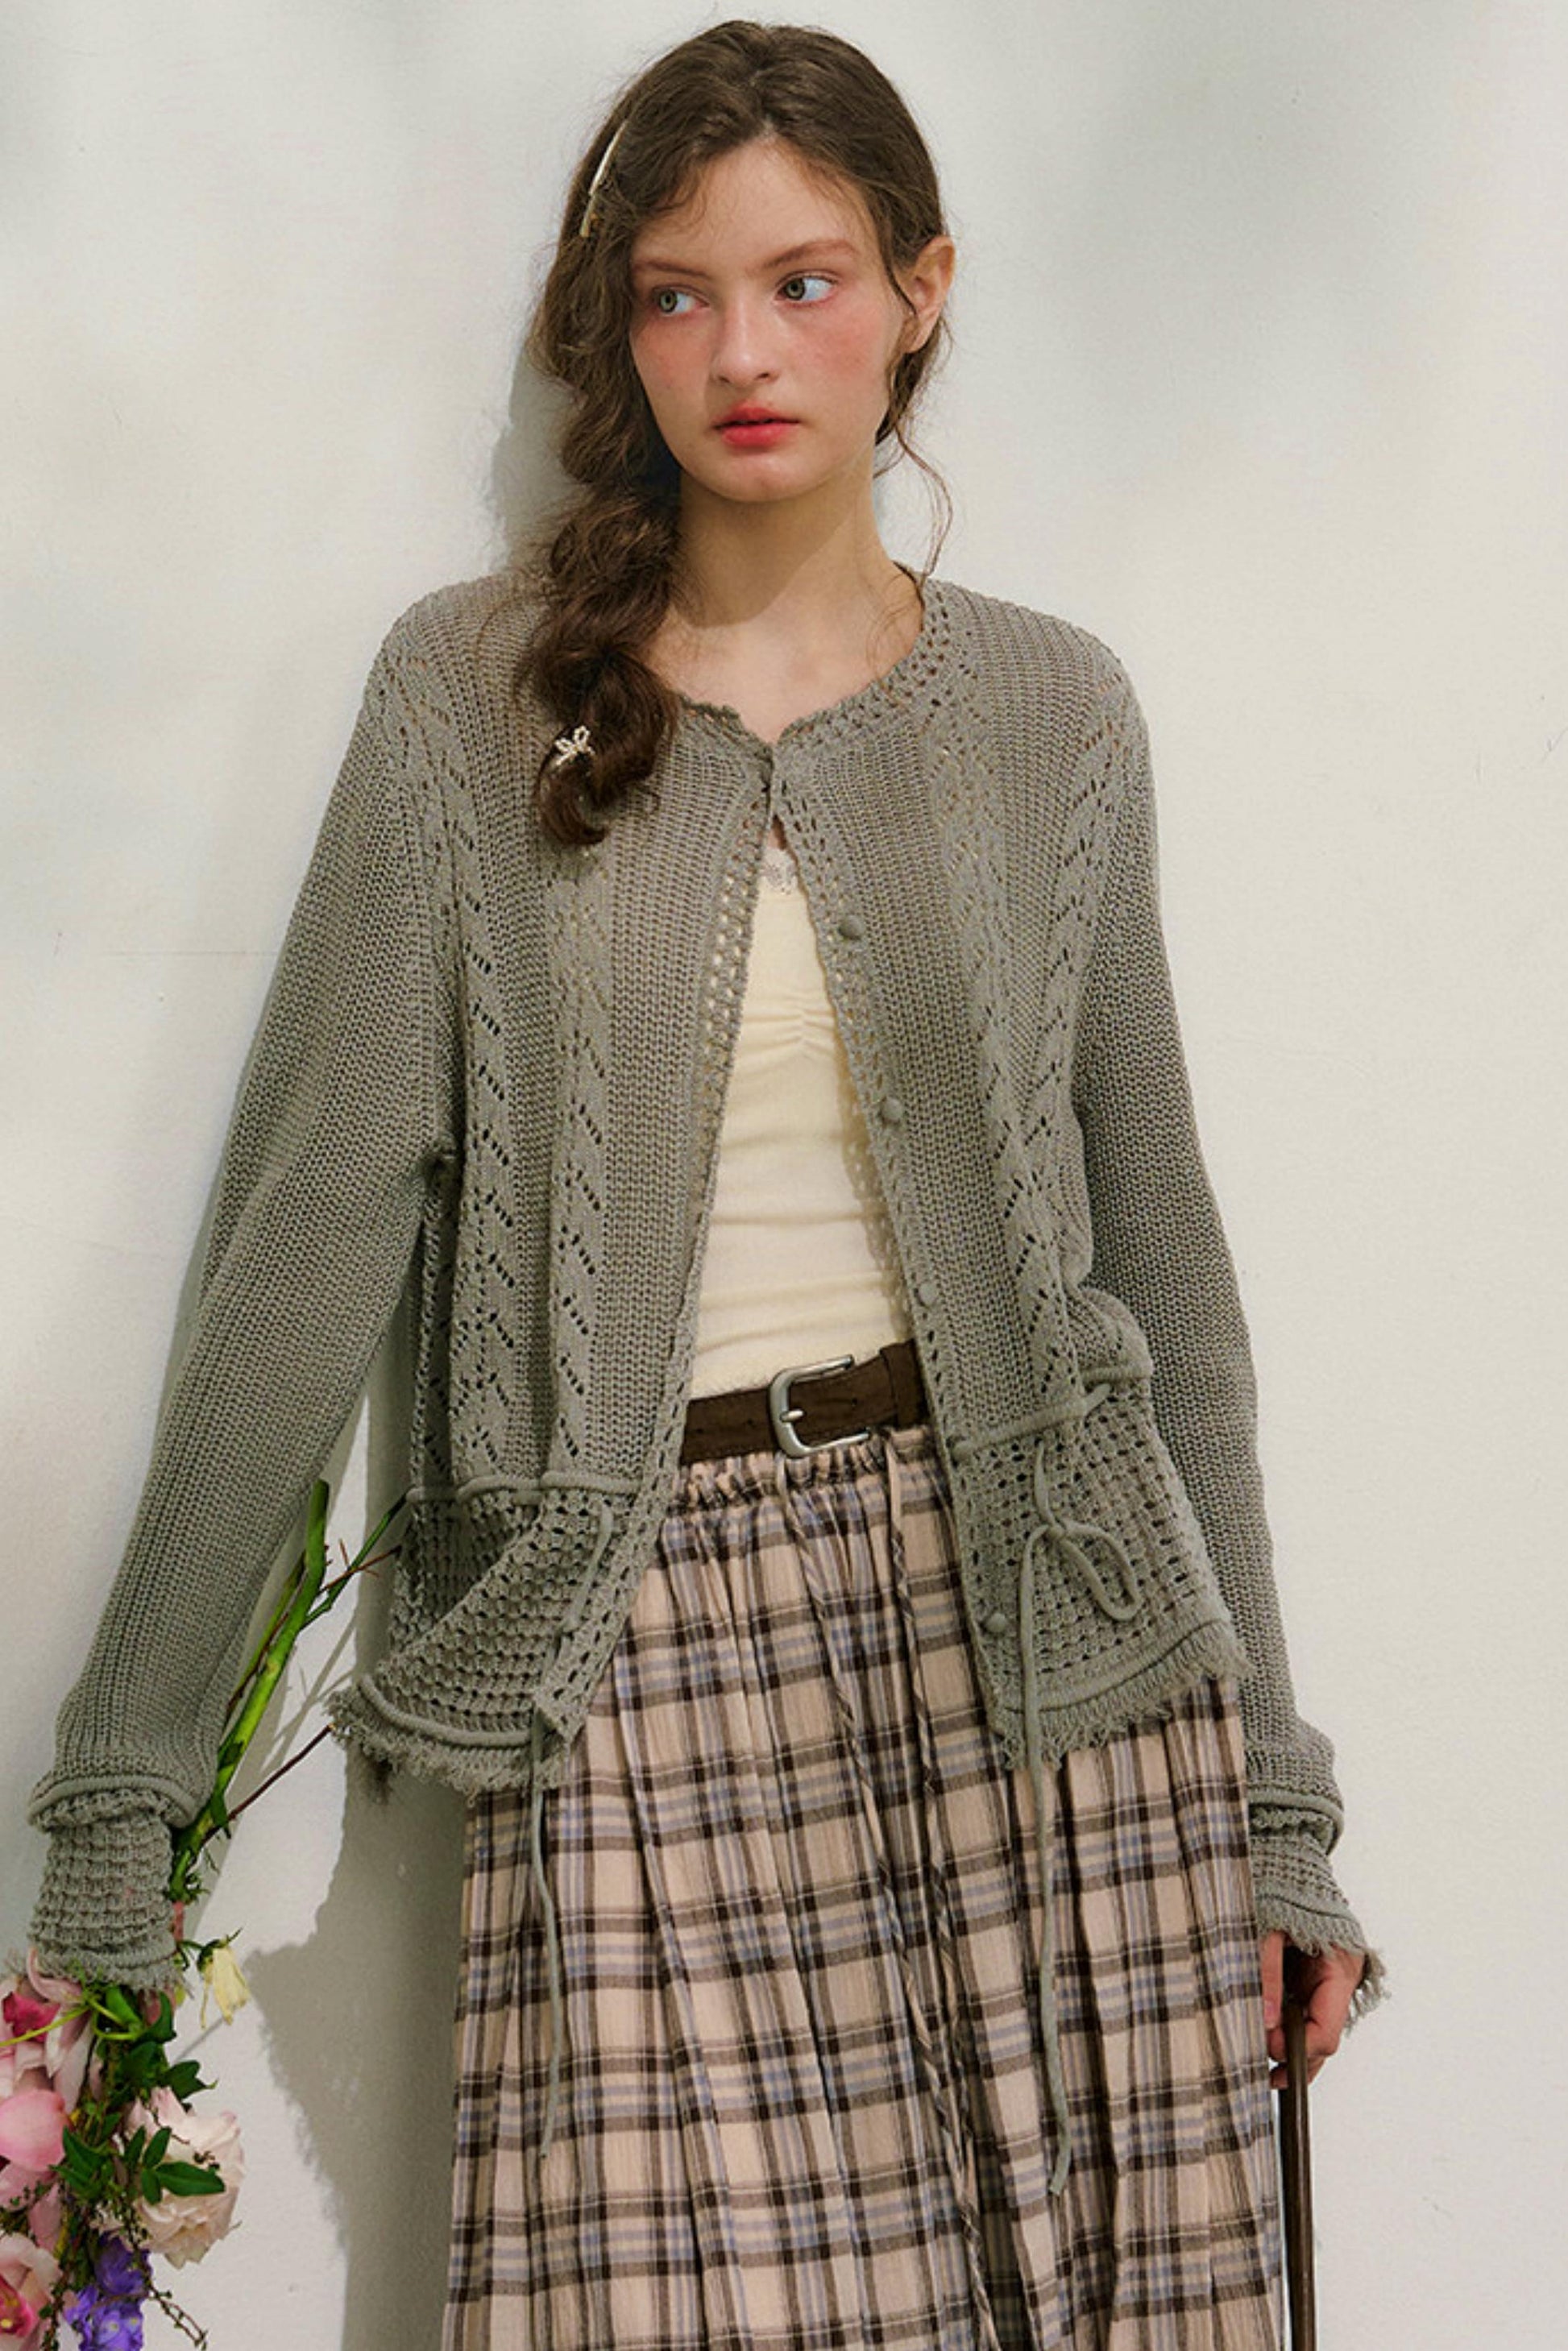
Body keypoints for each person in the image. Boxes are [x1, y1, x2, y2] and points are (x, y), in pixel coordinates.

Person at [25, 20, 1379, 2349]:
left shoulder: (1054, 714)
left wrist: (1276, 1805)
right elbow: (301, 1252)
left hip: (1054, 1663)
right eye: (676, 294)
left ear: (921, 292)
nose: (742, 352)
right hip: (639, 1661)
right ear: (618, 330)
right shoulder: (467, 705)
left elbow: (1168, 1284)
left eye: (803, 281)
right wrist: (120, 1795)